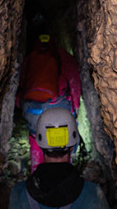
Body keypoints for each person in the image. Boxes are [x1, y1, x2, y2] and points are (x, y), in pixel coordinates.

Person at [16, 34, 82, 171]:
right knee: (65, 140)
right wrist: (75, 109)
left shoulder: (29, 59)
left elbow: (21, 85)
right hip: (58, 109)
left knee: (35, 136)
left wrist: (22, 107)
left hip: (32, 112)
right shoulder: (62, 56)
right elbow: (74, 82)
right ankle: (65, 175)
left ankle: (37, 177)